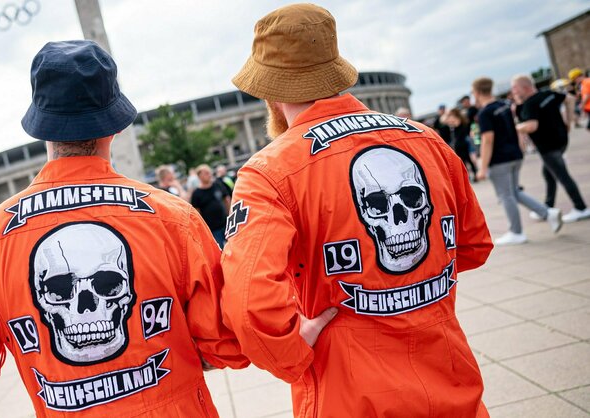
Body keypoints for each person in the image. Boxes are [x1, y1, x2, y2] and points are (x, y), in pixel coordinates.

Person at [0, 40, 248, 418]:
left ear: (41, 128)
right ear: (115, 127)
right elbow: (223, 344)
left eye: (106, 284)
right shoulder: (172, 220)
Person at [222, 4, 493, 417]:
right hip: (452, 380)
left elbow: (249, 303)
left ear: (270, 94)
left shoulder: (269, 170)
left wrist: (290, 350)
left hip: (349, 392)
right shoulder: (426, 139)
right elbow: (472, 246)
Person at [472, 77, 563, 244]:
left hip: (500, 159)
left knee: (506, 195)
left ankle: (517, 232)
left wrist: (482, 168)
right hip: (514, 155)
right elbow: (516, 129)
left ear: (477, 92)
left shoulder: (485, 113)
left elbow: (487, 140)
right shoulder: (504, 105)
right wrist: (520, 150)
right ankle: (547, 213)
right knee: (513, 192)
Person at [512, 74, 590, 223]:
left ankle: (580, 208)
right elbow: (570, 99)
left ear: (525, 87)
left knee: (562, 175)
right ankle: (548, 207)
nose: (513, 91)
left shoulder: (530, 104)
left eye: (515, 88)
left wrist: (514, 128)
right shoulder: (548, 94)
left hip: (548, 146)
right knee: (548, 174)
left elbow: (532, 126)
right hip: (561, 141)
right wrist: (569, 120)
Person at [190, 164, 231, 248]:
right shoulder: (196, 193)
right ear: (199, 176)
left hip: (225, 223)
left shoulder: (217, 185)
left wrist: (230, 214)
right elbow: (197, 213)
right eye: (206, 173)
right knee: (220, 250)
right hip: (212, 229)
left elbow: (226, 199)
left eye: (209, 172)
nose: (209, 175)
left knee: (233, 245)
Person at [443, 108, 479, 180]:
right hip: (461, 143)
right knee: (467, 160)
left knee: (464, 161)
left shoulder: (458, 120)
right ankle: (472, 174)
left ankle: (470, 175)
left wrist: (448, 116)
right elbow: (444, 121)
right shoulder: (461, 119)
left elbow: (446, 121)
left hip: (461, 143)